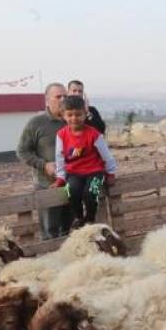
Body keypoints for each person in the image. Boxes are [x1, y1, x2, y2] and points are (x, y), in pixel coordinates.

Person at [53, 95, 118, 228]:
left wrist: (110, 173)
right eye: (69, 115)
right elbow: (59, 158)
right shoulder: (61, 135)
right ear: (63, 116)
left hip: (95, 172)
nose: (74, 118)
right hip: (74, 172)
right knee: (72, 191)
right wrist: (61, 177)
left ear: (85, 114)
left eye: (78, 114)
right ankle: (78, 216)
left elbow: (106, 155)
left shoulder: (94, 134)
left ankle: (90, 219)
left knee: (90, 193)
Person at [17, 82, 72, 238]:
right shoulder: (36, 123)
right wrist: (44, 165)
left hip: (71, 185)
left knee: (68, 230)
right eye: (58, 96)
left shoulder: (73, 120)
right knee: (50, 232)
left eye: (65, 96)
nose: (63, 99)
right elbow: (22, 151)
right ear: (47, 100)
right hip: (46, 185)